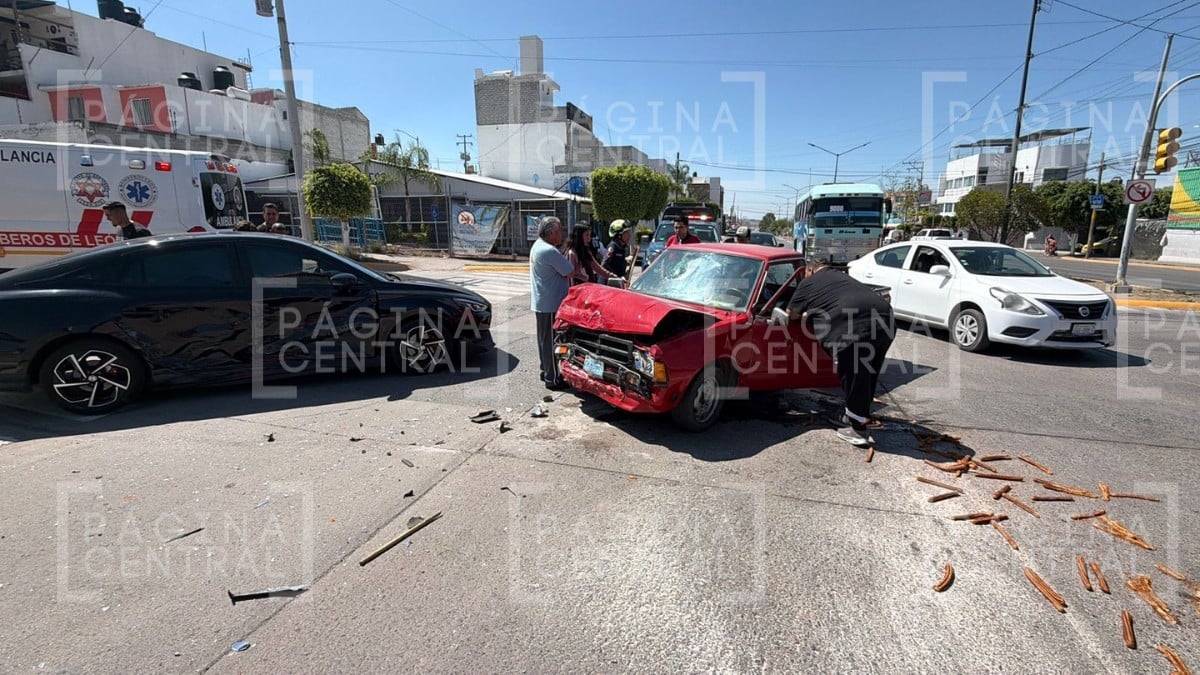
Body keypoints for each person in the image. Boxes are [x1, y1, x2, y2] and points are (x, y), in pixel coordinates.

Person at [772, 256, 894, 447]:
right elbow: (834, 300)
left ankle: (857, 430)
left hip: (855, 326)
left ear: (810, 270)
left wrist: (805, 313)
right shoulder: (840, 278)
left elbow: (792, 314)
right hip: (886, 319)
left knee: (853, 375)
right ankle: (855, 415)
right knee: (868, 373)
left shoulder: (809, 282)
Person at [530, 217, 575, 390]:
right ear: (550, 233)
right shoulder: (549, 250)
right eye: (559, 231)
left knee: (544, 341)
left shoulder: (538, 245)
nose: (561, 234)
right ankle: (552, 378)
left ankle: (545, 371)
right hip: (550, 303)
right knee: (551, 342)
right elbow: (570, 271)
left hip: (542, 302)